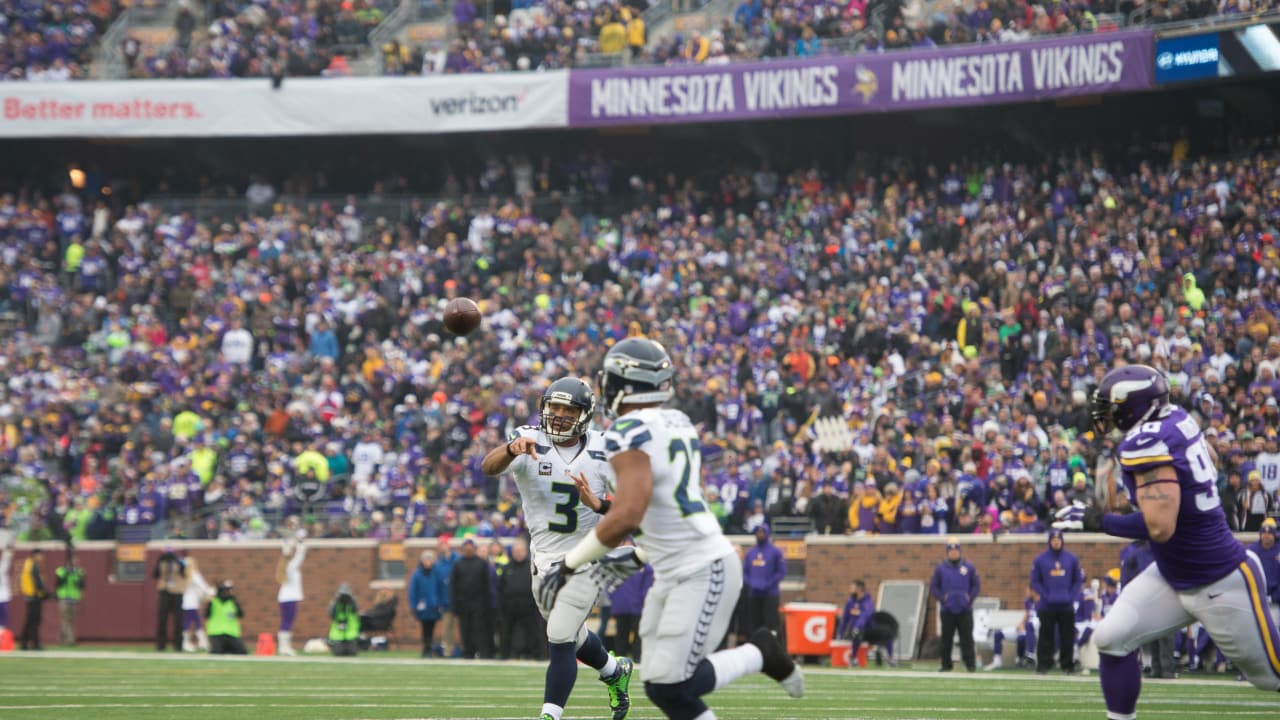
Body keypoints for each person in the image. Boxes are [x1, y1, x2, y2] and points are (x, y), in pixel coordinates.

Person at [540, 338, 803, 720]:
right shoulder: (677, 422)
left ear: (625, 384)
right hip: (676, 565)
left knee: (673, 685)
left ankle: (758, 654)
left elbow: (630, 515)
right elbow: (654, 506)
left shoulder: (626, 432)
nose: (605, 385)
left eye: (610, 378)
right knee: (663, 684)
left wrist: (569, 564)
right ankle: (759, 653)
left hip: (699, 566)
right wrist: (603, 510)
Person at [1054, 364, 1280, 719]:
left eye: (1113, 406)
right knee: (1112, 638)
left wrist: (1098, 520)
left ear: (1134, 406)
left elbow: (1160, 527)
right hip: (1174, 574)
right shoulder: (1175, 417)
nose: (1107, 415)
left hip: (1219, 578)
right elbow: (1212, 458)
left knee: (1272, 677)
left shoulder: (1145, 441)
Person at [480, 376, 634, 720]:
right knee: (573, 634)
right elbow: (488, 467)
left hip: (588, 558)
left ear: (585, 414)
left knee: (560, 635)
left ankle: (550, 715)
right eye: (555, 407)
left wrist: (598, 505)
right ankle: (613, 670)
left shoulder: (605, 448)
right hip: (544, 560)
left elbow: (633, 512)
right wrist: (508, 450)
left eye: (569, 409)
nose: (561, 415)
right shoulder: (527, 439)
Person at [1030, 529, 1083, 674]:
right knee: (1045, 637)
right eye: (1053, 539)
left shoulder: (1071, 559)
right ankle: (1043, 665)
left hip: (1066, 605)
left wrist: (1071, 596)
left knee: (1067, 637)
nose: (1056, 541)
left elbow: (1078, 580)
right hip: (1047, 605)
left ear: (1062, 540)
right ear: (1049, 541)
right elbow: (1035, 581)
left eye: (1058, 539)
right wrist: (1045, 595)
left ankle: (1067, 666)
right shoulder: (1040, 560)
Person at [930, 538, 979, 672]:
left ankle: (970, 664)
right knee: (946, 639)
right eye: (951, 550)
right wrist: (942, 598)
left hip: (964, 608)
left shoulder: (968, 567)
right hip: (947, 609)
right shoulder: (941, 568)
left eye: (956, 550)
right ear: (947, 552)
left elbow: (975, 585)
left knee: (967, 638)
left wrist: (969, 598)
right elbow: (934, 586)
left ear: (959, 551)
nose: (953, 552)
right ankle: (946, 664)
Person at [450, 538, 495, 659]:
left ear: (474, 548)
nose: (468, 549)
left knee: (480, 630)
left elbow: (487, 586)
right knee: (465, 630)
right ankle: (468, 652)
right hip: (463, 604)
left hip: (479, 604)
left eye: (470, 547)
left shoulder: (482, 563)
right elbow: (453, 586)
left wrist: (487, 605)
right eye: (466, 547)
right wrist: (455, 606)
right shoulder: (458, 564)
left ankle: (483, 652)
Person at [498, 539, 540, 660]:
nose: (518, 553)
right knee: (506, 631)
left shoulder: (532, 567)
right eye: (516, 551)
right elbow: (500, 587)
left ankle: (534, 654)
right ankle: (505, 654)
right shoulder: (506, 568)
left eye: (521, 551)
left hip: (528, 606)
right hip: (510, 606)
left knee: (531, 631)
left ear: (526, 551)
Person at [609, 546, 652, 662]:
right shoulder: (644, 565)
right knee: (627, 634)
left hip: (630, 605)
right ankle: (628, 658)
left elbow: (609, 585)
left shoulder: (618, 562)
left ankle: (628, 658)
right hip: (629, 605)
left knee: (631, 634)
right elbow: (609, 583)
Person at [742, 524, 785, 635]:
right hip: (754, 594)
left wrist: (768, 584)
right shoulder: (751, 553)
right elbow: (745, 572)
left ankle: (773, 648)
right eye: (758, 532)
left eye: (762, 532)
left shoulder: (776, 552)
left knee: (771, 624)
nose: (760, 534)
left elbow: (781, 572)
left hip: (770, 594)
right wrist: (751, 583)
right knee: (755, 625)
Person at [276, 526, 307, 656]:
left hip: (286, 598)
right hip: (289, 598)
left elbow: (290, 553)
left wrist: (292, 543)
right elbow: (301, 556)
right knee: (287, 621)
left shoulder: (286, 566)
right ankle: (284, 647)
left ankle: (284, 646)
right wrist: (300, 544)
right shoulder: (290, 566)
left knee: (286, 621)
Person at [429, 535, 460, 657]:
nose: (442, 546)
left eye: (444, 544)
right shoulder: (438, 564)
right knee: (447, 629)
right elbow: (436, 584)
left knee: (461, 627)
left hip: (458, 600)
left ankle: (464, 649)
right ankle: (448, 651)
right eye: (440, 544)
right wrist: (438, 601)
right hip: (446, 601)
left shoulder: (458, 559)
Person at [409, 549, 443, 658]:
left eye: (430, 559)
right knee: (425, 628)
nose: (428, 562)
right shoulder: (417, 574)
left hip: (434, 606)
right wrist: (414, 606)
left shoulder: (436, 573)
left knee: (431, 628)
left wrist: (440, 603)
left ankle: (429, 648)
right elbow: (413, 591)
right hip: (423, 607)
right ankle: (426, 648)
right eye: (426, 559)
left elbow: (441, 589)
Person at [1246, 520, 1280, 624]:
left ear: (1274, 535)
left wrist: (1274, 597)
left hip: (1274, 601)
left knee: (1274, 629)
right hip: (1254, 598)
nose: (1266, 535)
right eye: (1264, 533)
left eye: (1269, 533)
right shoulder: (1251, 550)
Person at [153, 546, 187, 652]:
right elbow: (155, 574)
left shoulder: (179, 562)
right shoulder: (161, 563)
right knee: (162, 619)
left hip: (177, 592)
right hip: (164, 592)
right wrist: (160, 561)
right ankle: (161, 645)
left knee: (178, 620)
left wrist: (177, 561)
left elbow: (184, 573)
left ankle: (178, 645)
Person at [54, 542, 85, 646]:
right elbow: (58, 583)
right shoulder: (61, 571)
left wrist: (76, 577)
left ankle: (62, 639)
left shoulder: (79, 572)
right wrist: (66, 574)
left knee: (69, 620)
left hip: (74, 598)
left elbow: (82, 585)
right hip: (63, 598)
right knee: (65, 619)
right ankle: (70, 640)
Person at [206, 580, 247, 655]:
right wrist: (210, 600)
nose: (228, 592)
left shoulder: (233, 602)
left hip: (231, 634)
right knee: (216, 652)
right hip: (216, 633)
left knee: (242, 652)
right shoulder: (214, 602)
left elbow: (241, 614)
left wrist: (235, 601)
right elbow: (206, 614)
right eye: (226, 590)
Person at [181, 556, 212, 652]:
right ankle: (189, 643)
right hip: (190, 604)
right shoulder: (194, 574)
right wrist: (211, 593)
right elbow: (203, 586)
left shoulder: (184, 574)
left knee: (191, 622)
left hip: (186, 603)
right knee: (193, 623)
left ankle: (198, 642)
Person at [19, 547, 48, 650]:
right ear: (35, 555)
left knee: (30, 621)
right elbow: (37, 581)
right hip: (34, 596)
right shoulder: (33, 565)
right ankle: (35, 644)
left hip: (30, 596)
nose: (41, 557)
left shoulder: (28, 564)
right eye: (40, 555)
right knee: (34, 621)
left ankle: (24, 643)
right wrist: (45, 592)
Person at [328, 583, 360, 656]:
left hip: (351, 634)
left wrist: (352, 599)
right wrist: (336, 601)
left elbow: (356, 610)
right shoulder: (335, 603)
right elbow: (331, 614)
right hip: (338, 635)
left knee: (352, 653)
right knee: (338, 653)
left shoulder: (352, 602)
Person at [0, 536, 13, 637]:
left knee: (3, 620)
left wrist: (9, 545)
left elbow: (7, 559)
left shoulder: (2, 567)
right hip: (3, 596)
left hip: (3, 596)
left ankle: (2, 638)